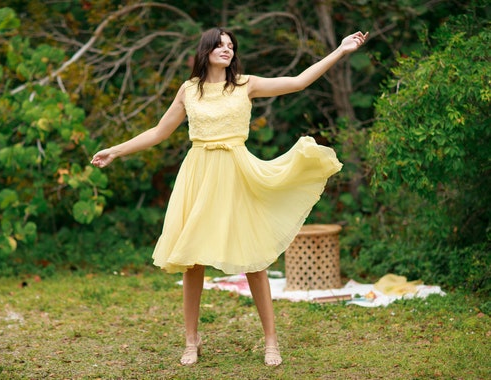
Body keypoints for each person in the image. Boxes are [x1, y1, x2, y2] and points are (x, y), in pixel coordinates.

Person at [91, 27, 368, 367]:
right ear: (205, 50)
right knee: (192, 259)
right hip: (198, 174)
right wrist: (116, 151)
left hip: (236, 173)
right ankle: (191, 340)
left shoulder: (245, 84)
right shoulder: (189, 90)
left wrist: (340, 51)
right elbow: (159, 132)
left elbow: (298, 81)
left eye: (231, 46)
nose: (226, 50)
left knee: (254, 259)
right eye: (220, 45)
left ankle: (271, 341)